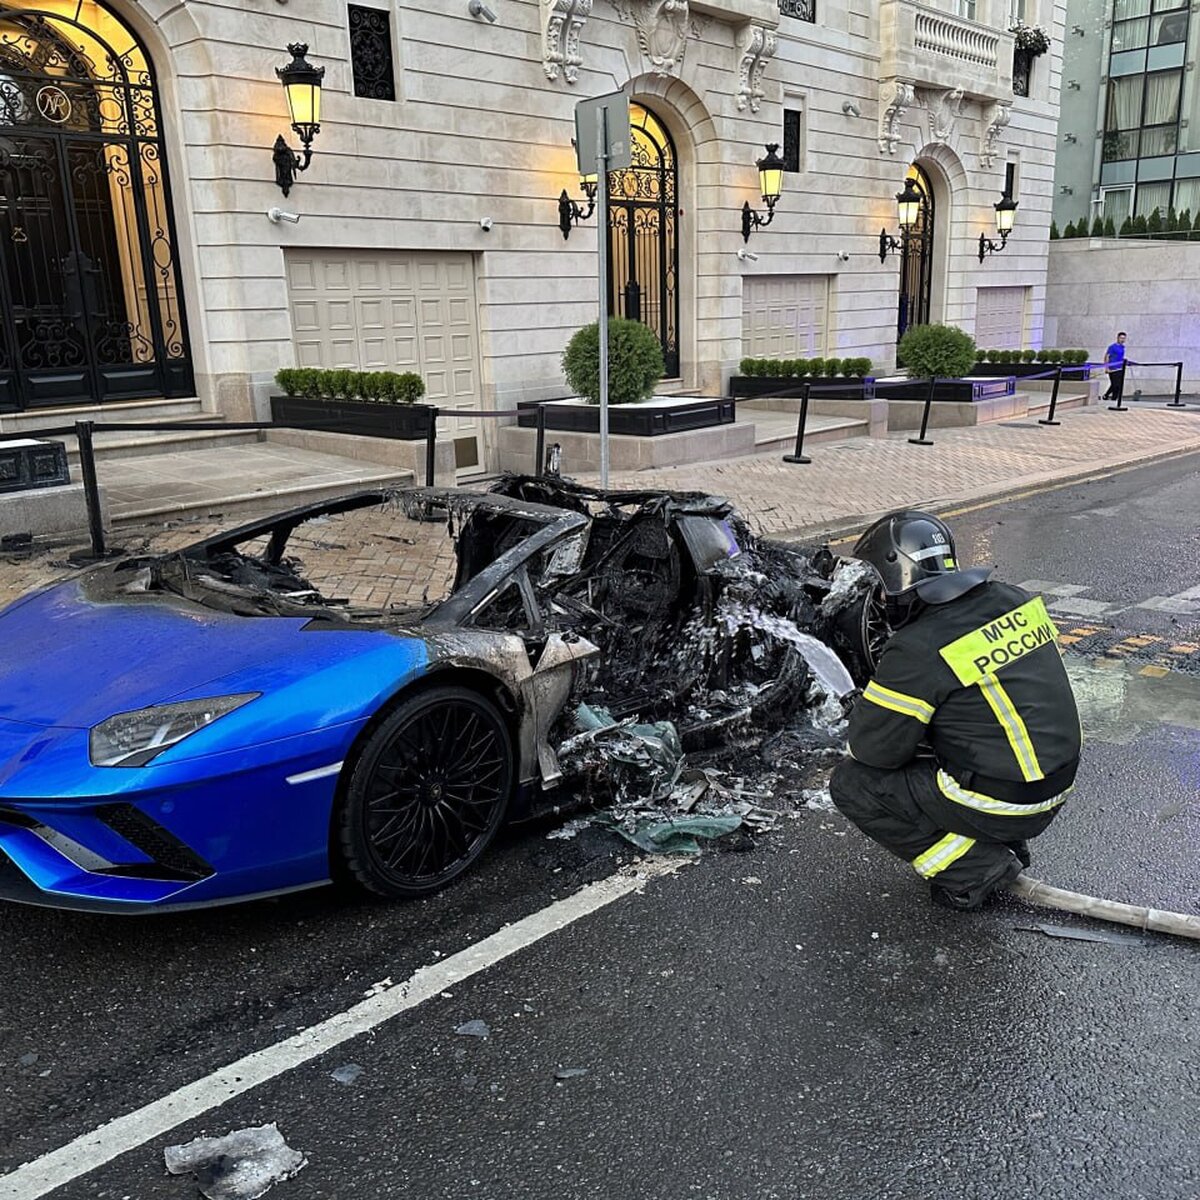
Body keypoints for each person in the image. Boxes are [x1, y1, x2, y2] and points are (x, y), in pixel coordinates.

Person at [829, 511, 1082, 911]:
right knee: (953, 733)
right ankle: (1000, 840)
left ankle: (972, 867)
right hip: (1056, 782)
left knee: (852, 784)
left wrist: (867, 709)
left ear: (898, 578)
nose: (877, 599)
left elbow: (872, 752)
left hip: (1006, 802)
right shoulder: (1012, 599)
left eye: (879, 587)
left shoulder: (918, 647)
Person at [1101, 331, 1127, 403]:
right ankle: (1106, 395)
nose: (1122, 340)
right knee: (1115, 384)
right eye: (1121, 338)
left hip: (1120, 368)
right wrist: (1106, 367)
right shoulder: (1112, 347)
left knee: (1118, 385)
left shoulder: (1122, 347)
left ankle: (1114, 399)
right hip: (1113, 368)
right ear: (1118, 338)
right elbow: (1107, 356)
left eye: (1124, 338)